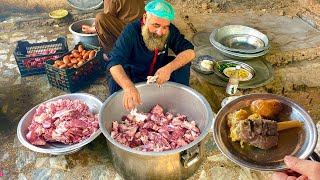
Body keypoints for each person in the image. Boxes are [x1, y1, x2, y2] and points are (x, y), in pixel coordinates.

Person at [105, 0, 195, 110]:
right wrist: (128, 87)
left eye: (165, 27)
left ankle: (180, 100)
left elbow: (190, 51)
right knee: (115, 80)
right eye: (155, 25)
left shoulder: (169, 30)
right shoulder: (131, 30)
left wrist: (168, 68)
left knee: (182, 62)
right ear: (145, 18)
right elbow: (114, 62)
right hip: (133, 75)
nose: (160, 32)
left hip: (158, 74)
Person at [82, 0, 146, 53]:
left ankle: (111, 54)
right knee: (100, 19)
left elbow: (104, 21)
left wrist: (90, 29)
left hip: (133, 34)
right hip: (144, 28)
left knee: (100, 18)